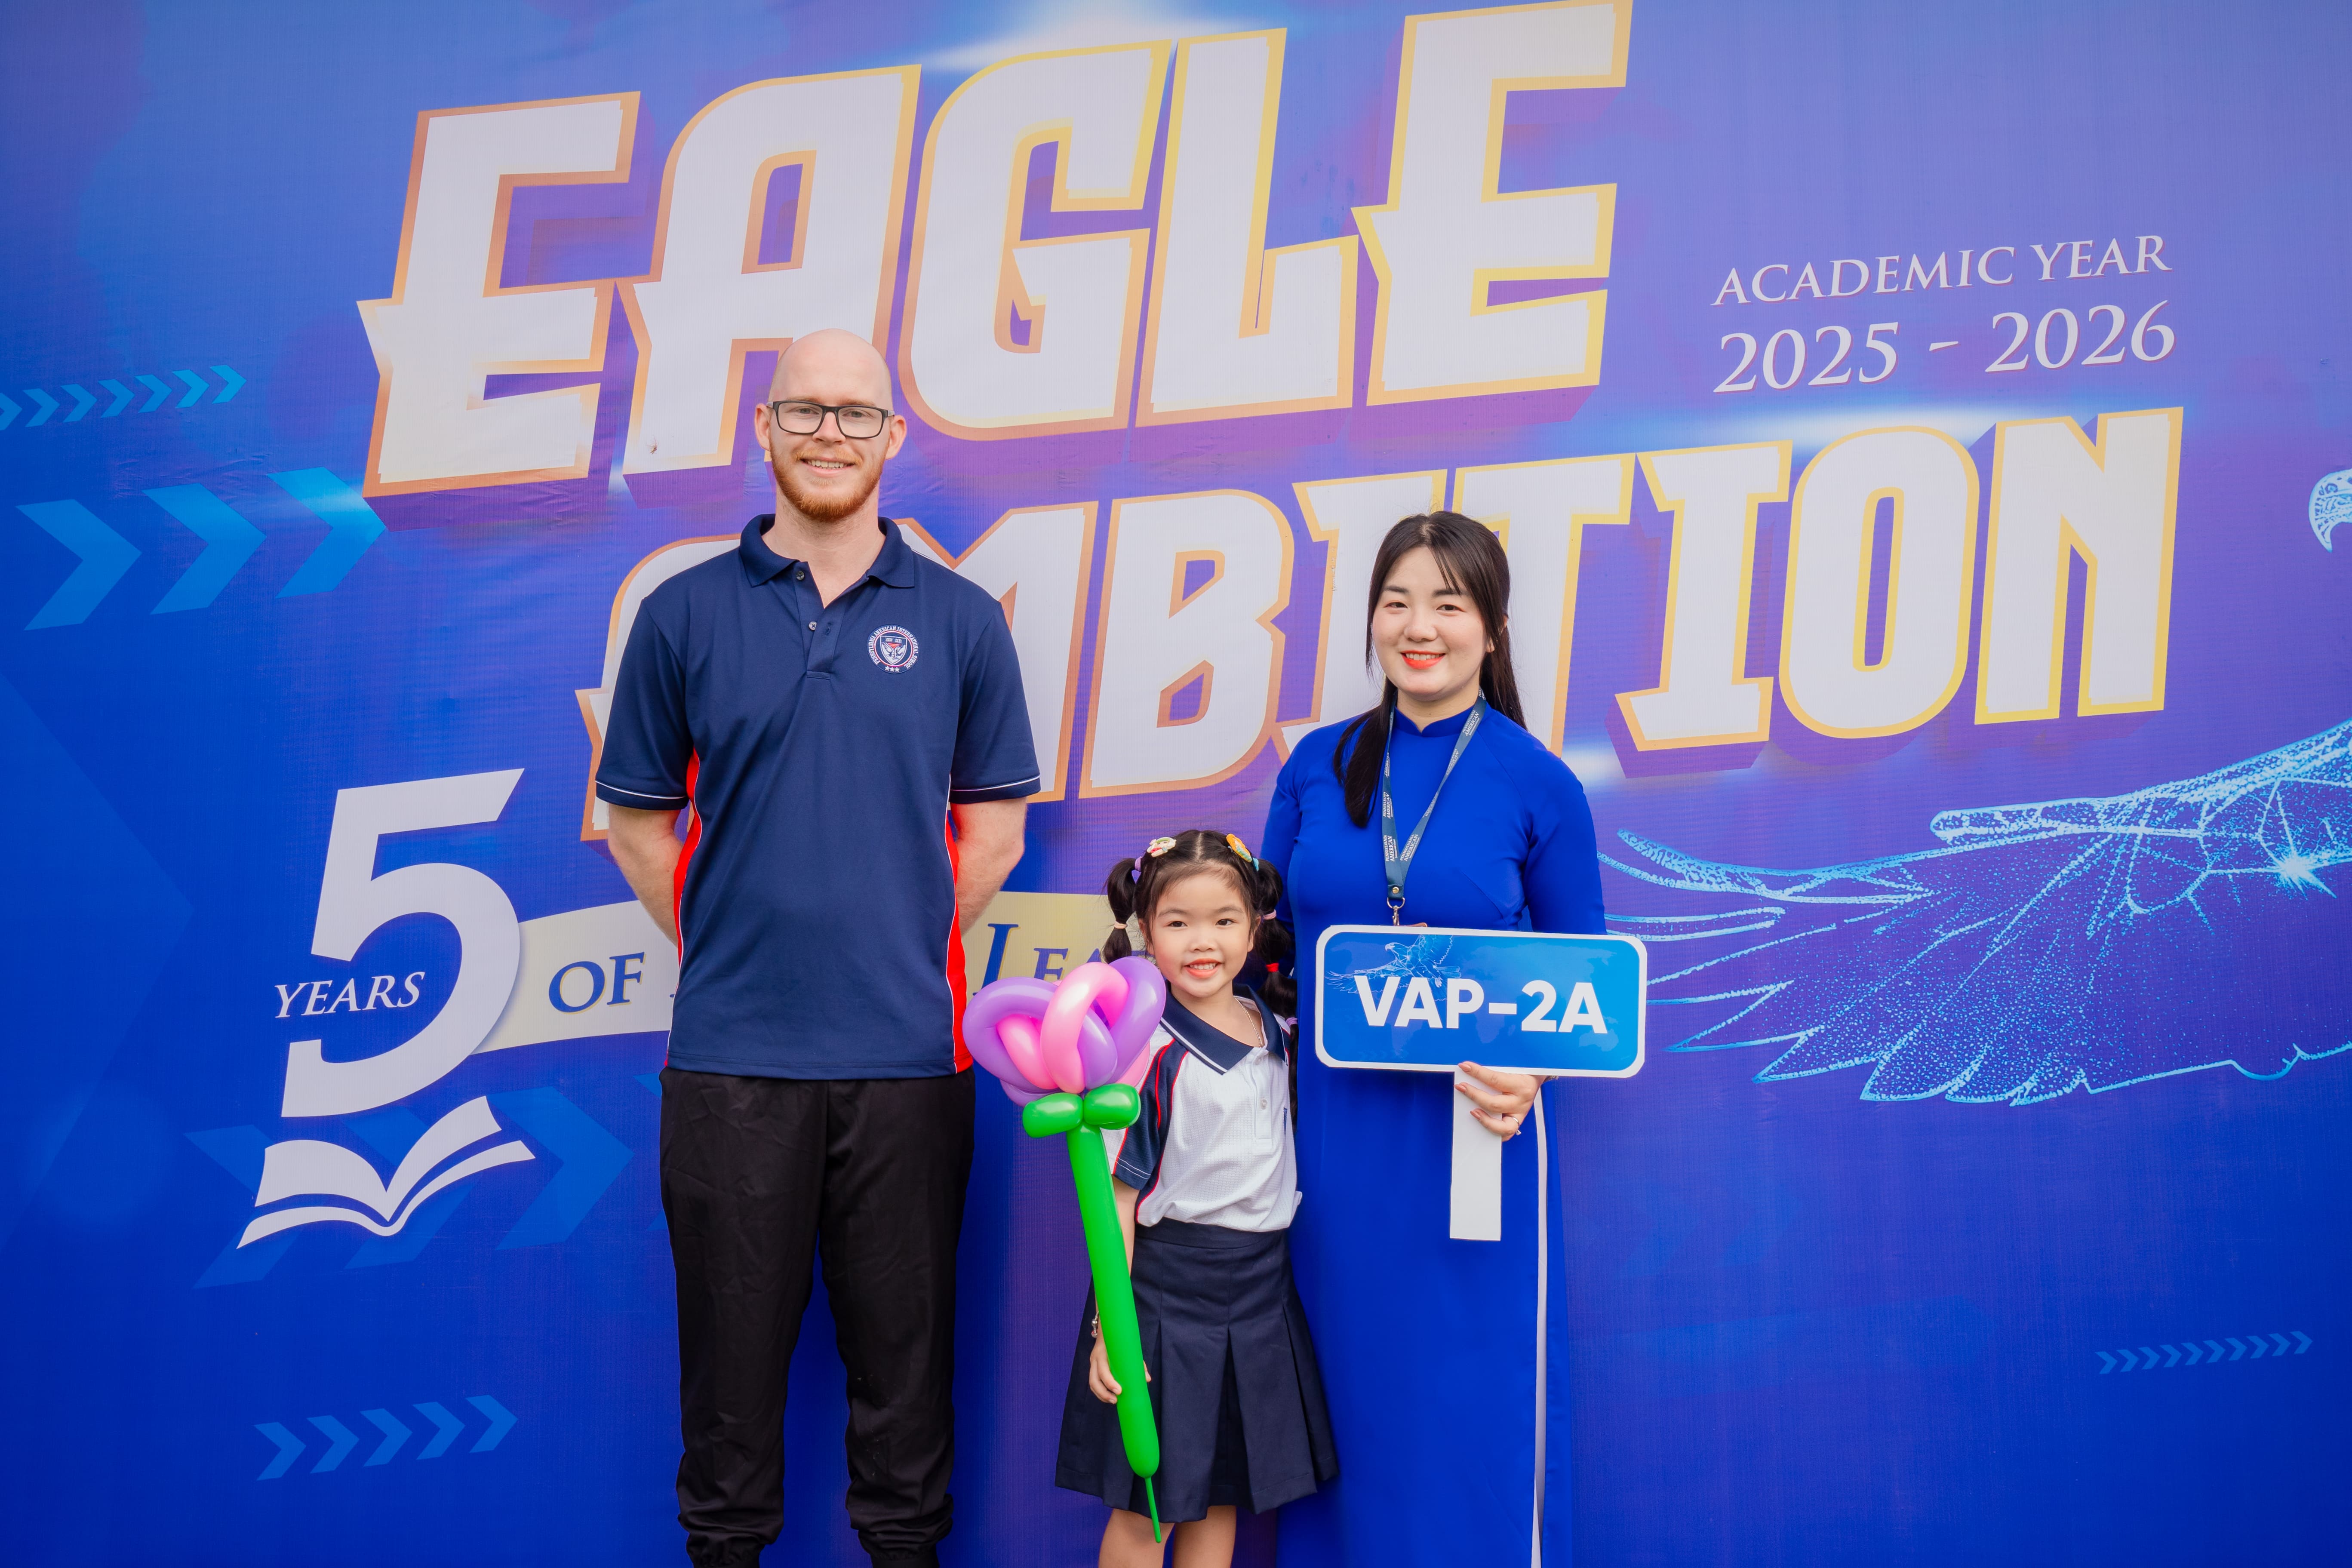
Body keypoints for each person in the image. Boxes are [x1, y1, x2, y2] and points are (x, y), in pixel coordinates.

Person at [596, 329, 1039, 1568]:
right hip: (730, 1064)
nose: (829, 434)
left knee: (906, 1386)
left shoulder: (960, 620)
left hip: (908, 1063)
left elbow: (996, 831)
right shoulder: (680, 612)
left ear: (893, 436)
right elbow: (636, 825)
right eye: (804, 410)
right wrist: (737, 946)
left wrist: (886, 941)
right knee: (726, 1396)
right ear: (765, 427)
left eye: (855, 413)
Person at [1259, 513, 1605, 1567]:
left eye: (1448, 604)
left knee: (1462, 1398)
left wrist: (1530, 1069)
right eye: (1396, 601)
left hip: (1473, 1136)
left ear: (1491, 629)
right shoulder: (1315, 766)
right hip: (1329, 1140)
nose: (1419, 627)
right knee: (1339, 1390)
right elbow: (1264, 948)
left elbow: (1585, 980)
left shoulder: (1536, 780)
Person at [1055, 830, 1339, 1568]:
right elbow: (1117, 1202)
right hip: (1165, 1296)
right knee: (1150, 1507)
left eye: (1223, 920)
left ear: (1254, 929)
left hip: (1261, 1289)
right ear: (1146, 931)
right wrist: (1111, 1329)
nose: (1202, 941)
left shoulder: (1276, 1026)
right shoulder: (1146, 1049)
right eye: (1178, 921)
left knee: (1219, 1495)